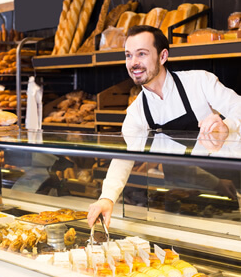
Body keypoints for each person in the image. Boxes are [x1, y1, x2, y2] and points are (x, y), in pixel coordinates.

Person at [87, 25, 241, 228]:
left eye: (141, 54)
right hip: (188, 195)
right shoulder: (136, 114)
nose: (133, 63)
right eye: (128, 55)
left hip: (235, 182)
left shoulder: (199, 82)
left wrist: (226, 125)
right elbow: (124, 158)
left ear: (162, 56)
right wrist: (107, 197)